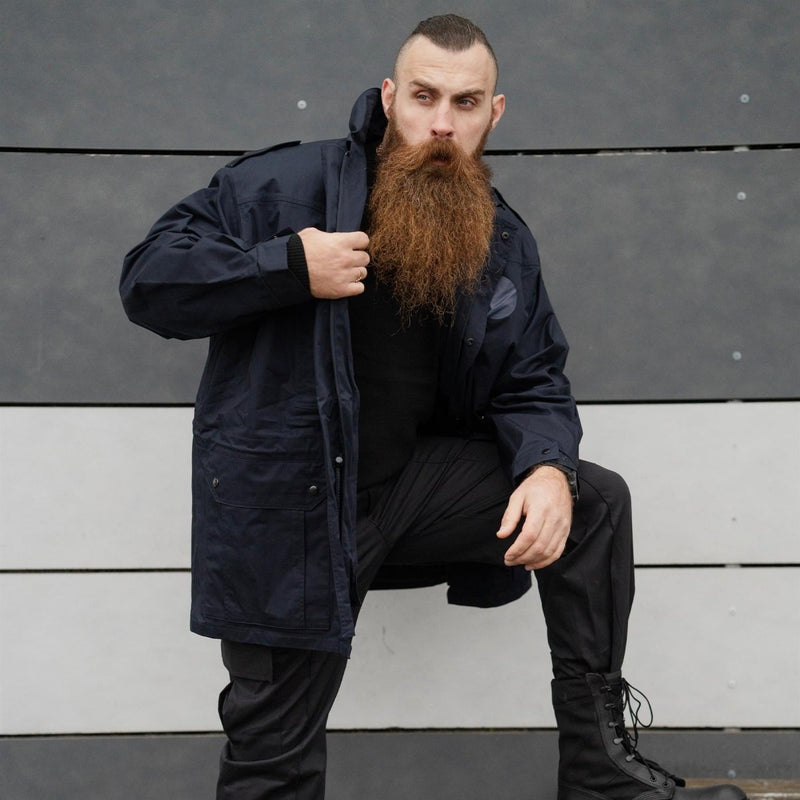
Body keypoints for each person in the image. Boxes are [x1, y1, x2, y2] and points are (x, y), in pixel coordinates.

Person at [120, 14, 747, 800]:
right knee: (271, 766)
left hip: (410, 491)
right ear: (389, 99)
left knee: (592, 502)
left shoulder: (499, 236)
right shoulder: (282, 188)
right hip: (292, 511)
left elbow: (534, 378)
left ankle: (599, 777)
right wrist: (284, 266)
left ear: (495, 112)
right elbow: (148, 282)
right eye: (422, 97)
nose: (441, 123)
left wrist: (548, 467)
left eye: (465, 102)